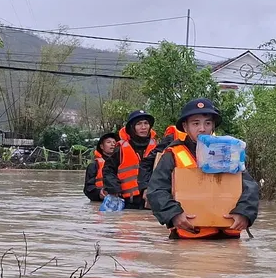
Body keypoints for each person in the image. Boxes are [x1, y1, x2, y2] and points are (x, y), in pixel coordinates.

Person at [147, 98, 260, 239]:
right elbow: (156, 190)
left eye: (208, 123)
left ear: (212, 126)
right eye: (196, 123)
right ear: (185, 126)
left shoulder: (229, 152)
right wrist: (174, 215)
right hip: (188, 239)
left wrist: (244, 214)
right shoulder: (172, 154)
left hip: (228, 238)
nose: (202, 128)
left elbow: (250, 187)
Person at [102, 110, 157, 209]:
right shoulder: (121, 148)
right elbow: (108, 170)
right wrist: (114, 189)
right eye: (139, 124)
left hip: (151, 201)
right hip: (129, 203)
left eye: (146, 123)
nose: (143, 127)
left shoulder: (157, 146)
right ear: (132, 127)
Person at [83, 132, 118, 202]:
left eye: (114, 142)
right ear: (101, 146)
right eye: (108, 142)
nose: (112, 144)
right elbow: (88, 189)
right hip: (101, 203)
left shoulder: (121, 163)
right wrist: (99, 193)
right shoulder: (93, 166)